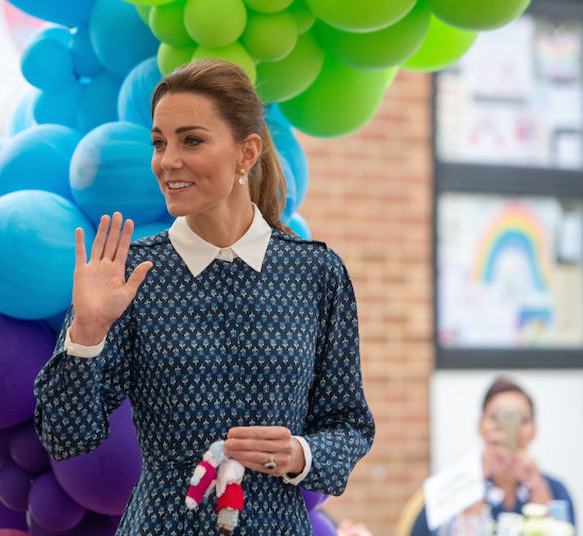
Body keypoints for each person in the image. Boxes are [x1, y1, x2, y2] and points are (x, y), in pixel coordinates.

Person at [33, 59, 375, 535]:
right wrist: (86, 333)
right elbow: (65, 435)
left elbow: (349, 424)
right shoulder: (131, 274)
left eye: (191, 140)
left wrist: (300, 454)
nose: (167, 160)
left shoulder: (316, 272)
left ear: (246, 153)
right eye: (159, 142)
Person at [411, 377, 576, 534]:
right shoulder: (449, 488)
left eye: (521, 419)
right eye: (495, 417)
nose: (506, 426)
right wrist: (472, 484)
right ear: (480, 426)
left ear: (533, 431)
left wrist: (537, 487)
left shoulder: (556, 491)